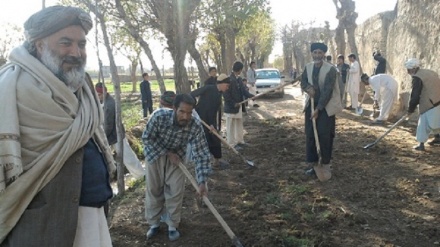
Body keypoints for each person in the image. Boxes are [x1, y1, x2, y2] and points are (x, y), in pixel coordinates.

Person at [0, 6, 115, 246]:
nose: (75, 52)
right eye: (65, 43)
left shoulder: (83, 86)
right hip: (40, 227)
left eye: (81, 44)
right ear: (39, 45)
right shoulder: (11, 89)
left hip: (93, 217)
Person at [142, 94, 212, 241]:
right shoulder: (159, 117)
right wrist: (167, 153)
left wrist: (202, 181)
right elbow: (147, 138)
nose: (185, 116)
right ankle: (154, 223)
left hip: (178, 158)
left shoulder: (195, 126)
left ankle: (172, 225)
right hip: (155, 154)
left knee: (175, 190)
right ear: (174, 108)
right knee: (154, 189)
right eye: (182, 111)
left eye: (189, 112)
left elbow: (202, 154)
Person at [301, 42, 342, 178]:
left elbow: (327, 92)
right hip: (311, 105)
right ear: (312, 54)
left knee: (324, 135)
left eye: (320, 52)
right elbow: (303, 82)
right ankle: (314, 165)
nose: (317, 55)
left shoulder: (331, 70)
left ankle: (325, 163)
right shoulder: (308, 67)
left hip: (326, 107)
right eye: (315, 52)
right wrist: (308, 88)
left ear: (324, 54)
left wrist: (319, 109)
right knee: (311, 135)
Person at [95, 83, 145, 179]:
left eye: (100, 94)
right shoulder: (101, 102)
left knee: (128, 157)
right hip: (109, 136)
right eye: (97, 94)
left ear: (105, 92)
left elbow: (108, 125)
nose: (98, 96)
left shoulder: (110, 104)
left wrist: (102, 138)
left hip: (115, 135)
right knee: (106, 159)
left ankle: (141, 176)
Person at [191, 74, 230, 168]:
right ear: (221, 83)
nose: (227, 88)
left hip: (210, 120)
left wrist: (212, 124)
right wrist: (193, 108)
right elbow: (192, 94)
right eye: (227, 85)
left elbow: (213, 110)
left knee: (215, 138)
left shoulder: (219, 94)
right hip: (200, 119)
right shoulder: (208, 88)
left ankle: (217, 161)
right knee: (205, 141)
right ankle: (204, 164)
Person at [404, 58, 440, 151]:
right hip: (438, 100)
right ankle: (438, 137)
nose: (408, 72)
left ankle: (421, 144)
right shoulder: (430, 72)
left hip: (428, 103)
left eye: (408, 70)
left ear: (413, 69)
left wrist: (410, 109)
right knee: (436, 121)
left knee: (423, 124)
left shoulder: (417, 77)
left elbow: (415, 95)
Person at [223, 61, 255, 150]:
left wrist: (251, 96)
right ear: (239, 69)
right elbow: (226, 95)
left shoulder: (239, 79)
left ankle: (240, 141)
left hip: (239, 106)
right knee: (230, 126)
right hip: (230, 107)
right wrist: (233, 103)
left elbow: (243, 91)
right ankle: (232, 144)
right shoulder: (229, 79)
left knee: (238, 124)